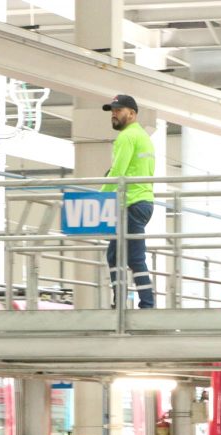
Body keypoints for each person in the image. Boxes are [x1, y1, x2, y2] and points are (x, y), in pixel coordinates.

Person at [102, 94, 156, 309]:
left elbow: (118, 172)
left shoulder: (127, 137)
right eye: (113, 111)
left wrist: (100, 196)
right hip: (143, 201)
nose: (114, 114)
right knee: (115, 255)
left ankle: (146, 304)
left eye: (119, 110)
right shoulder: (143, 137)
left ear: (132, 114)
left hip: (131, 203)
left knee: (134, 257)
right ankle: (121, 301)